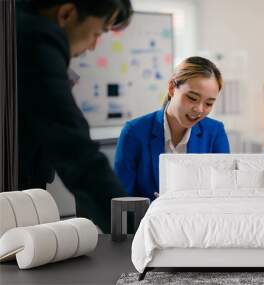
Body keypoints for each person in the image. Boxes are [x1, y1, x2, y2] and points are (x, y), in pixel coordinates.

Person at [17, 0, 133, 232]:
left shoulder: (17, 22)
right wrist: (133, 231)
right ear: (67, 14)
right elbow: (75, 149)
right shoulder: (37, 39)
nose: (93, 46)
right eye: (96, 33)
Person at [114, 56, 230, 199]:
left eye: (208, 103)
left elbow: (223, 194)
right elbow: (122, 201)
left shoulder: (215, 132)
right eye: (192, 98)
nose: (199, 109)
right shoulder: (134, 132)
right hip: (148, 220)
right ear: (171, 88)